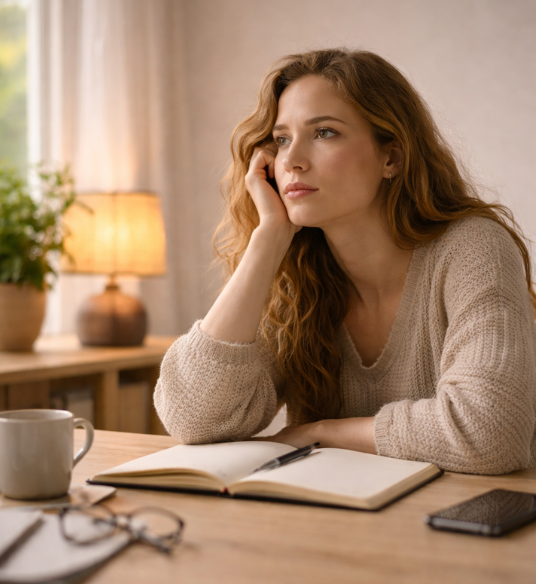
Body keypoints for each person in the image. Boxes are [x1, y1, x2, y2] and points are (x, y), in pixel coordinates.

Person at [155, 47, 536, 476]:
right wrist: (267, 240)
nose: (292, 161)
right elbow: (193, 418)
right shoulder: (296, 273)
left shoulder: (473, 248)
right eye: (282, 140)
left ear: (390, 157)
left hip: (468, 528)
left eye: (324, 133)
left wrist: (323, 433)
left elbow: (490, 432)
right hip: (338, 524)